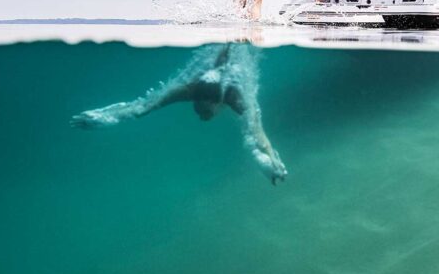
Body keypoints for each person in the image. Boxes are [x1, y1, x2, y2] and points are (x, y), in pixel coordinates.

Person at [71, 44, 287, 184]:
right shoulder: (190, 91)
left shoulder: (232, 96)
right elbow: (140, 108)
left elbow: (257, 132)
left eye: (205, 111)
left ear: (214, 103)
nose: (202, 115)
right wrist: (101, 117)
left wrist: (271, 159)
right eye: (201, 110)